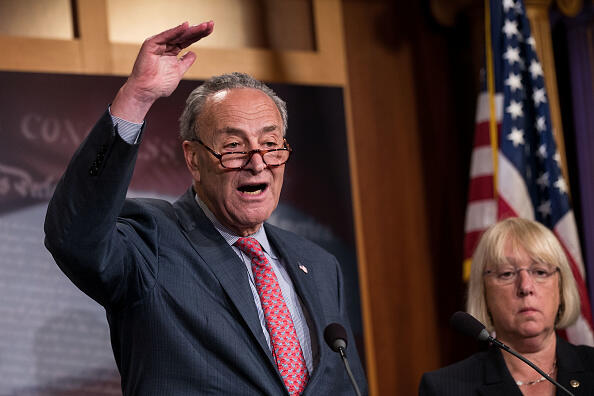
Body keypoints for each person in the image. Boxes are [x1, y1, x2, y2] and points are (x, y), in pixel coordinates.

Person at [44, 21, 367, 395]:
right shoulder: (153, 241)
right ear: (194, 159)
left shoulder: (321, 265)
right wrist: (136, 98)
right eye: (233, 147)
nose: (258, 162)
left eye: (271, 144)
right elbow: (74, 237)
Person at [419, 217, 594, 395]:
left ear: (561, 288)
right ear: (484, 292)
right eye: (507, 274)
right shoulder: (443, 389)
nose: (525, 287)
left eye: (540, 272)